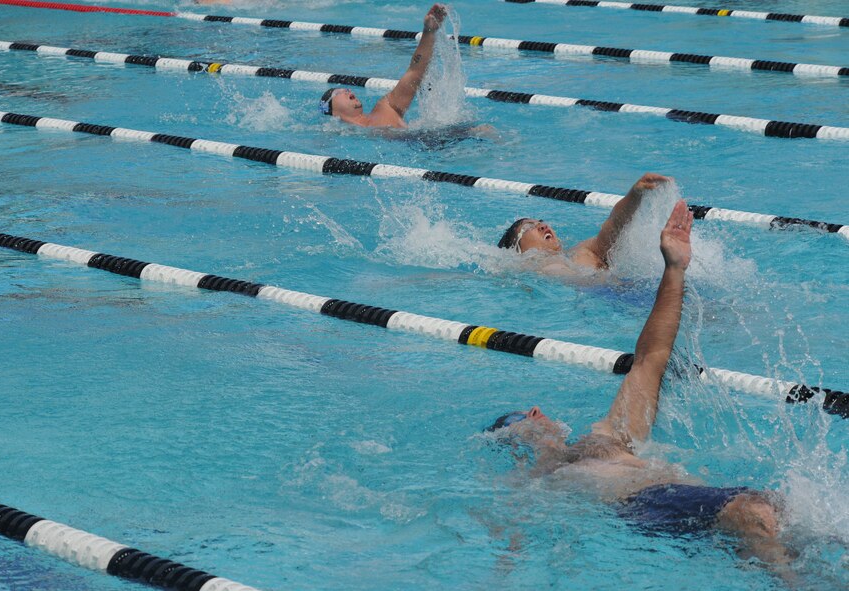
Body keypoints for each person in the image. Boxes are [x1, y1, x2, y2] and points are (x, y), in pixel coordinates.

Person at [486, 200, 793, 569]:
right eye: (516, 423)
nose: (532, 417)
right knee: (756, 512)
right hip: (653, 507)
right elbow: (511, 536)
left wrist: (674, 269)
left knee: (779, 509)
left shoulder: (604, 437)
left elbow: (650, 360)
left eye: (521, 418)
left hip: (694, 504)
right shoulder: (539, 482)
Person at [498, 173, 671, 277]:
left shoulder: (583, 251)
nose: (542, 226)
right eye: (528, 227)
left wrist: (635, 194)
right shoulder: (526, 270)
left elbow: (614, 227)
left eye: (540, 222)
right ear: (516, 248)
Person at [318, 4, 447, 128]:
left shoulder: (386, 107)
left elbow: (414, 71)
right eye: (338, 92)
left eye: (346, 89)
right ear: (331, 111)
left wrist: (429, 31)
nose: (348, 91)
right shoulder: (341, 135)